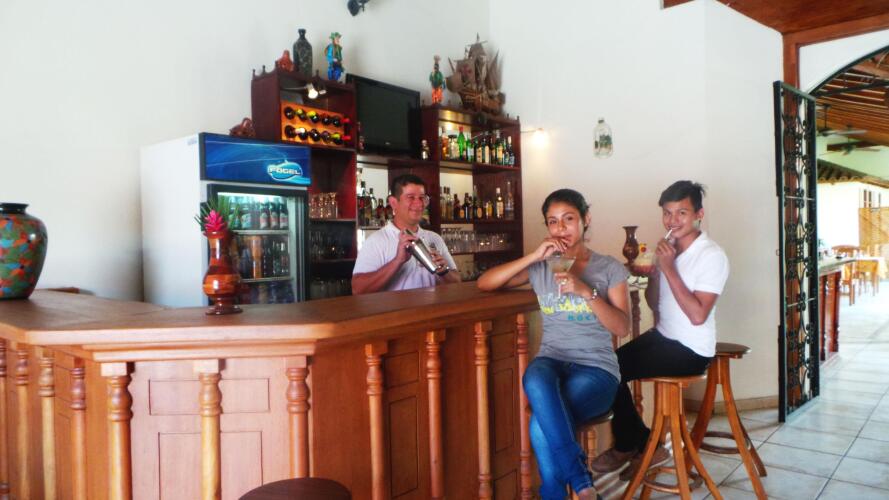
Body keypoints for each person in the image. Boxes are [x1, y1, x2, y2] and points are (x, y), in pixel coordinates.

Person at [477, 189, 629, 500]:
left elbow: (622, 327)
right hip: (552, 359)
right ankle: (583, 485)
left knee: (540, 424)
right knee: (534, 376)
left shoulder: (609, 267)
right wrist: (535, 256)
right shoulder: (542, 267)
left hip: (596, 369)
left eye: (568, 219)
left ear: (585, 220)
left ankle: (562, 491)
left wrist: (586, 292)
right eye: (553, 221)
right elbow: (485, 283)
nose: (561, 228)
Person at [591, 180, 730, 481]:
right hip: (664, 337)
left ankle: (631, 445)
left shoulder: (711, 255)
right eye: (667, 213)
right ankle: (642, 443)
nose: (672, 220)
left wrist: (668, 268)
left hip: (691, 350)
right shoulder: (670, 250)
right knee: (605, 365)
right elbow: (655, 304)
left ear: (699, 215)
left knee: (610, 369)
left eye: (682, 213)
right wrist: (655, 274)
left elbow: (697, 316)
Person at [352, 174, 460, 294]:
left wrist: (444, 272)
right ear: (393, 202)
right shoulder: (376, 241)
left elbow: (457, 283)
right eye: (411, 197)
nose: (419, 204)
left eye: (422, 198)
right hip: (395, 307)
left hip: (434, 306)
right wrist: (397, 261)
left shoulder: (435, 238)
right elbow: (358, 289)